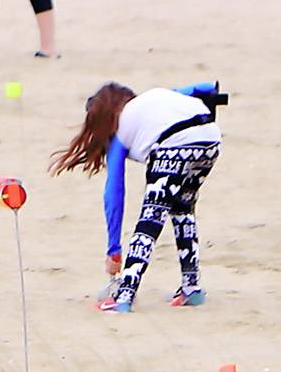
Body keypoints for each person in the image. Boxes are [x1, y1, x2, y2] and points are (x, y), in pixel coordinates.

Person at [49, 82, 225, 311]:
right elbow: (196, 88)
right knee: (183, 208)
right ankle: (191, 288)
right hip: (210, 137)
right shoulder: (152, 99)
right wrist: (210, 88)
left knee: (151, 218)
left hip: (174, 145)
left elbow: (114, 192)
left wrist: (114, 249)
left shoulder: (121, 128)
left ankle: (124, 295)